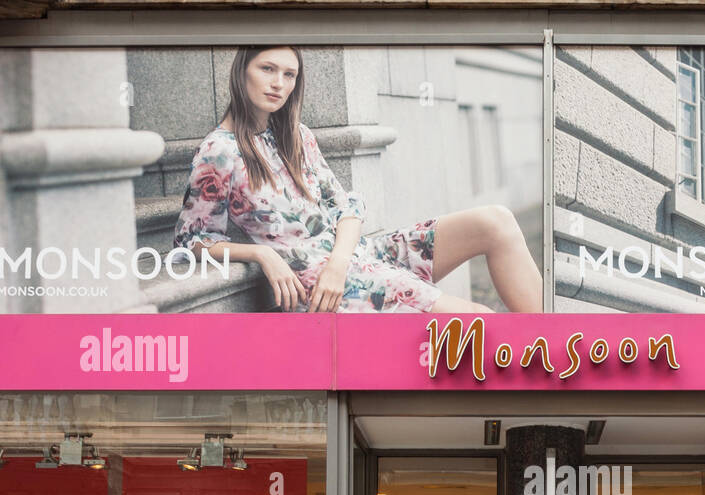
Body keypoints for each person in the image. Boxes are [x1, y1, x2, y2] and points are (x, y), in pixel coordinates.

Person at [174, 46, 543, 314]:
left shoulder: (296, 135)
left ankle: (554, 345)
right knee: (478, 320)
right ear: (242, 71)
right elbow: (192, 241)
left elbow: (347, 207)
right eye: (267, 69)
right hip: (319, 284)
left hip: (355, 256)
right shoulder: (219, 152)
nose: (279, 84)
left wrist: (339, 261)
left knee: (496, 220)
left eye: (289, 74)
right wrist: (261, 253)